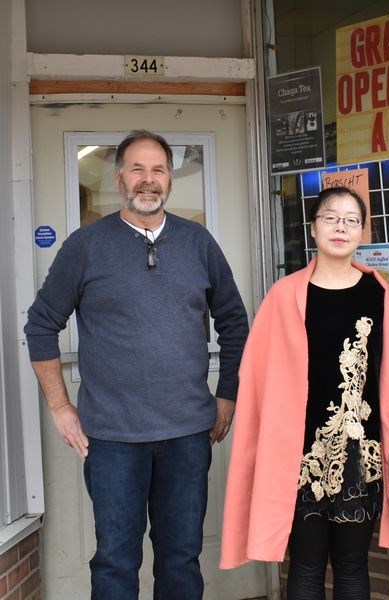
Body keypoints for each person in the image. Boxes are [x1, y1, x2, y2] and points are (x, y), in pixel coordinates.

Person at [24, 129, 248, 600]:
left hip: (188, 434)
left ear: (170, 179)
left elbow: (233, 321)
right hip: (112, 439)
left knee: (181, 558)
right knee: (115, 562)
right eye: (138, 169)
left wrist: (228, 394)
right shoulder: (86, 245)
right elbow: (41, 325)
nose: (149, 180)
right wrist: (61, 408)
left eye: (159, 170)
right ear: (120, 177)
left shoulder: (197, 242)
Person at [220, 187, 389, 599]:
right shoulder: (285, 295)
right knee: (305, 565)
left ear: (361, 233)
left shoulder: (378, 292)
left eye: (351, 219)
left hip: (361, 449)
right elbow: (257, 375)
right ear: (313, 229)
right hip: (298, 454)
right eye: (330, 217)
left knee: (353, 565)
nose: (340, 226)